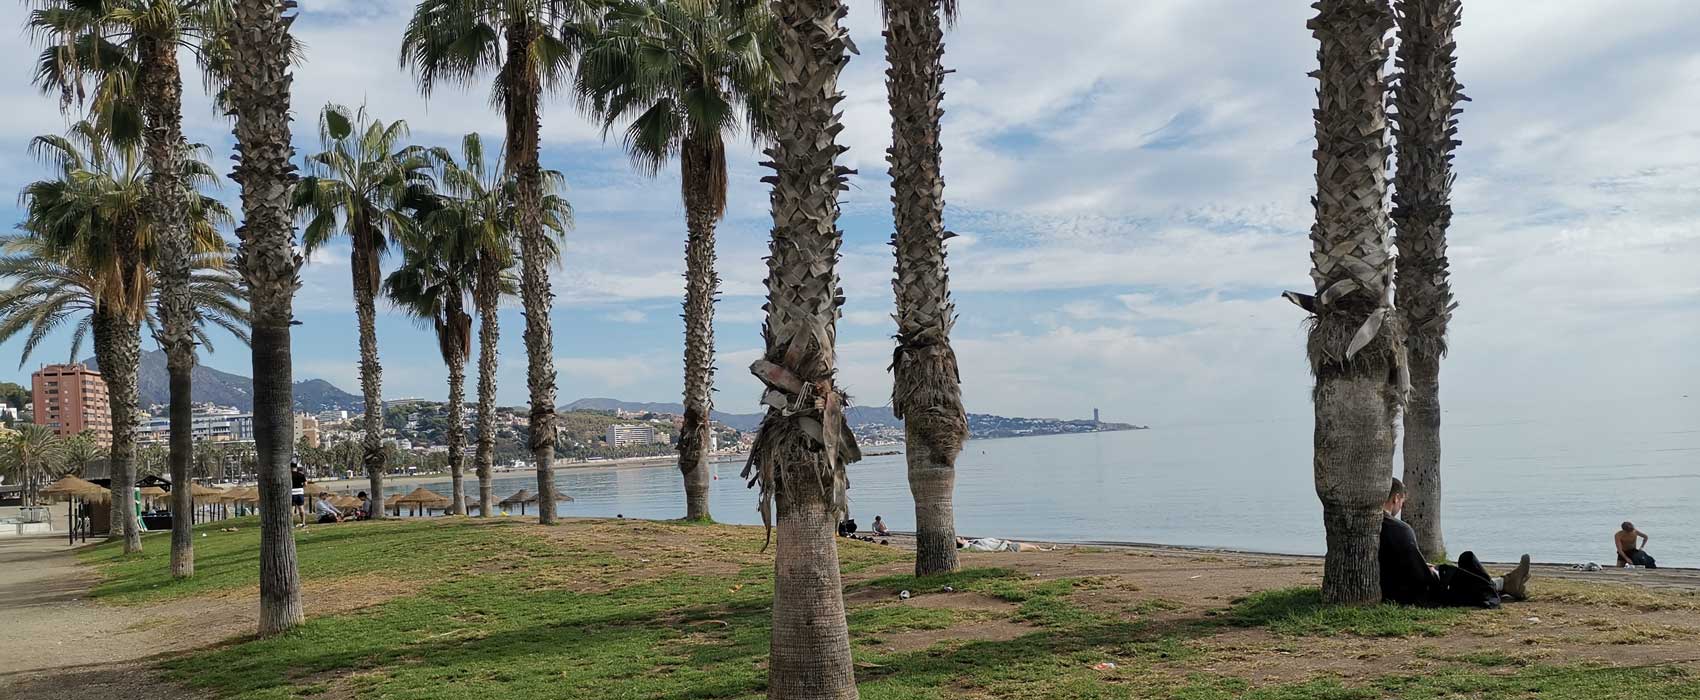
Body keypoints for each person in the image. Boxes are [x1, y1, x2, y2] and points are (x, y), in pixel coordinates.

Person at [1380, 478, 1531, 607]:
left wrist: (1425, 566)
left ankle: (1506, 583)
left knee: (1465, 561)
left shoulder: (1371, 527)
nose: (1401, 507)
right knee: (1455, 572)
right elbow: (1420, 577)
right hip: (1415, 592)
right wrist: (1431, 572)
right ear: (1396, 498)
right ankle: (1505, 584)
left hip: (1394, 585)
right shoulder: (1400, 530)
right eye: (1401, 502)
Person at [955, 536, 1049, 553]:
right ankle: (1047, 551)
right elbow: (993, 550)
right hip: (1008, 547)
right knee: (1034, 547)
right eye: (960, 539)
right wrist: (1004, 543)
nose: (963, 538)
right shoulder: (974, 546)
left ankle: (1046, 550)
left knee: (1034, 547)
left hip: (1007, 544)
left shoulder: (972, 542)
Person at [290, 463, 308, 527]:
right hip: (300, 492)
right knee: (301, 508)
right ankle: (303, 523)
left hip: (292, 493)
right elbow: (305, 484)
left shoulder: (288, 475)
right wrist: (301, 487)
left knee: (292, 509)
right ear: (296, 467)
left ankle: (291, 524)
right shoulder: (301, 474)